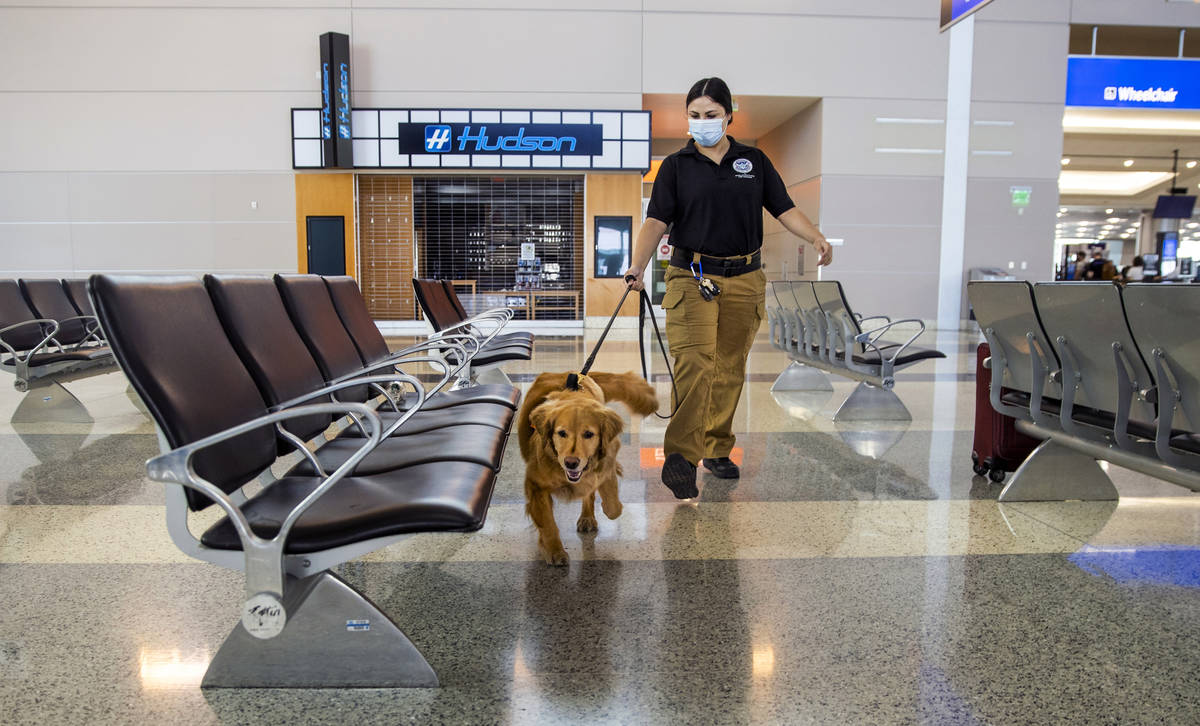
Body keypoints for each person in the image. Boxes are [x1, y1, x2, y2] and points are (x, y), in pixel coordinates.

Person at [623, 77, 833, 499]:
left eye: (711, 115)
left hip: (745, 278)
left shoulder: (753, 161)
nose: (702, 123)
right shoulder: (676, 166)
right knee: (696, 363)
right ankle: (681, 456)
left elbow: (785, 208)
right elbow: (655, 221)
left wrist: (815, 237)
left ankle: (718, 447)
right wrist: (636, 267)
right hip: (691, 275)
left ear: (728, 115)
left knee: (729, 367)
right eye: (695, 116)